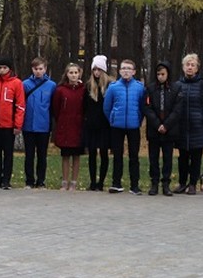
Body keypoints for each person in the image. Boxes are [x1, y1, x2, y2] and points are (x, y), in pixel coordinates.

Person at [175, 53, 203, 195]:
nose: (190, 67)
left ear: (197, 68)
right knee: (182, 158)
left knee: (196, 158)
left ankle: (193, 184)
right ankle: (182, 183)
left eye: (193, 65)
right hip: (182, 128)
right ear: (183, 67)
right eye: (187, 65)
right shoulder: (178, 85)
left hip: (198, 127)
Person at [104, 58, 146, 194]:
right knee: (117, 155)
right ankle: (116, 183)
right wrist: (112, 119)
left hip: (134, 126)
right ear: (119, 71)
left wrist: (138, 120)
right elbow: (107, 107)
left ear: (134, 71)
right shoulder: (113, 87)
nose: (126, 71)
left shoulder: (139, 87)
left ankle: (135, 185)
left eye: (129, 68)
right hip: (117, 126)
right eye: (123, 68)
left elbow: (142, 107)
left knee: (134, 156)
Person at [143, 62, 181, 195]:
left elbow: (177, 109)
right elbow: (147, 108)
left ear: (168, 74)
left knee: (167, 158)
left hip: (169, 130)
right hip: (154, 129)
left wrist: (166, 125)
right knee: (153, 158)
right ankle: (154, 183)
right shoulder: (150, 88)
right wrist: (157, 124)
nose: (160, 77)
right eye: (158, 74)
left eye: (163, 74)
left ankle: (166, 183)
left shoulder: (175, 89)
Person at [0, 57, 24, 189]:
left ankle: (6, 179)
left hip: (9, 125)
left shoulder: (16, 83)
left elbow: (20, 105)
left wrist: (17, 124)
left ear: (9, 69)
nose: (2, 70)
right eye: (0, 68)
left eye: (5, 68)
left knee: (8, 153)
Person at [19, 57, 56, 189]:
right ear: (32, 69)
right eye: (36, 69)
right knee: (29, 155)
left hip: (43, 126)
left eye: (41, 69)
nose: (38, 71)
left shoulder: (51, 86)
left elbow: (53, 106)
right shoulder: (25, 84)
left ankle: (41, 181)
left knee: (42, 155)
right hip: (28, 125)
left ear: (45, 69)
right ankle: (29, 180)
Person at [51, 63, 85, 191]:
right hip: (65, 126)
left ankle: (74, 182)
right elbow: (56, 108)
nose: (73, 75)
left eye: (76, 73)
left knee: (76, 156)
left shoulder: (83, 89)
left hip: (78, 126)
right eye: (71, 73)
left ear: (79, 74)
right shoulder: (60, 90)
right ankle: (64, 181)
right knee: (65, 156)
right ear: (66, 74)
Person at [83, 56, 112, 191]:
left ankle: (101, 182)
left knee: (104, 153)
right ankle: (93, 181)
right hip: (91, 125)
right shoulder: (88, 86)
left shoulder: (110, 86)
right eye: (94, 69)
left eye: (99, 69)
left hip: (105, 125)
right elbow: (84, 106)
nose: (96, 72)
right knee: (92, 153)